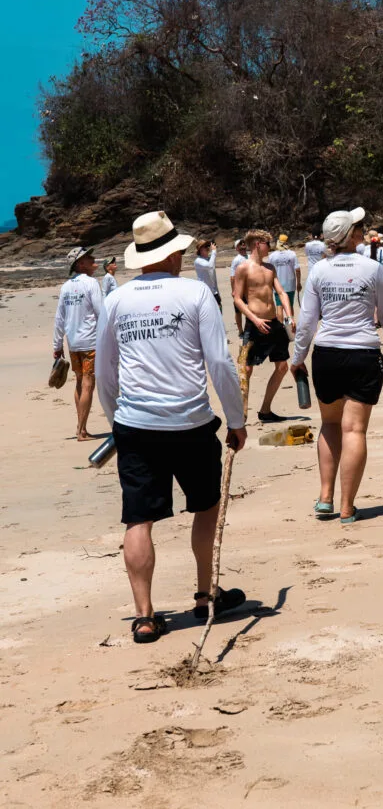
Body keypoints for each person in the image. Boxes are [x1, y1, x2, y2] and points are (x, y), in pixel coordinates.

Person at [95, 211, 247, 644]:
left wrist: (116, 422)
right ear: (174, 252)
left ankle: (144, 616)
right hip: (190, 420)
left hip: (135, 423)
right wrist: (235, 420)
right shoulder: (195, 292)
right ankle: (204, 593)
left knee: (138, 518)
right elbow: (219, 363)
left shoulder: (116, 300)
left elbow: (107, 374)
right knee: (205, 504)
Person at [290, 207, 383, 522]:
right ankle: (347, 506)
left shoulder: (320, 271)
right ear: (350, 236)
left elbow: (307, 322)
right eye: (358, 227)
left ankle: (325, 497)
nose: (362, 230)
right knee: (354, 429)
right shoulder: (372, 268)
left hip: (326, 354)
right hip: (363, 354)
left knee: (329, 425)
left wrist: (297, 359)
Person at [233, 230, 295, 423]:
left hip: (274, 323)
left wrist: (290, 316)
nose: (271, 246)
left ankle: (265, 410)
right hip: (254, 324)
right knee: (246, 370)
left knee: (282, 366)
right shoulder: (243, 268)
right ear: (258, 244)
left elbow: (282, 293)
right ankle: (240, 414)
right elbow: (237, 298)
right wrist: (255, 319)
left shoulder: (270, 267)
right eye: (268, 243)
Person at [53, 246, 103, 441]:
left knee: (80, 382)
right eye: (88, 257)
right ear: (80, 264)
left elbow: (59, 318)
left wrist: (57, 346)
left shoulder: (66, 286)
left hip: (73, 343)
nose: (93, 259)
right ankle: (81, 430)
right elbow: (101, 313)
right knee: (88, 384)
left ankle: (81, 428)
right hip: (90, 342)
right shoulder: (91, 283)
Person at [269, 235, 301, 322]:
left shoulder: (272, 256)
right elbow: (297, 270)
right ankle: (291, 325)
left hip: (277, 285)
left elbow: (269, 271)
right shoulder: (292, 254)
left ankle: (280, 328)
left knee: (279, 306)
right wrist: (298, 283)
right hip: (290, 284)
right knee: (290, 305)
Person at [194, 239, 221, 310]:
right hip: (206, 293)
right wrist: (214, 252)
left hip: (214, 292)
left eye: (208, 246)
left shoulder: (210, 259)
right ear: (200, 249)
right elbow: (210, 266)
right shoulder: (198, 261)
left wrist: (218, 292)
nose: (207, 247)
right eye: (205, 246)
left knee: (219, 313)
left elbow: (213, 278)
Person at [230, 238, 248, 336]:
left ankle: (249, 329)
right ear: (236, 248)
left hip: (249, 289)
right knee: (238, 311)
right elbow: (232, 277)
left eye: (244, 246)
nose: (243, 248)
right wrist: (233, 290)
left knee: (250, 309)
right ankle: (241, 331)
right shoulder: (236, 260)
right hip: (239, 290)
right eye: (240, 247)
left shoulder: (249, 257)